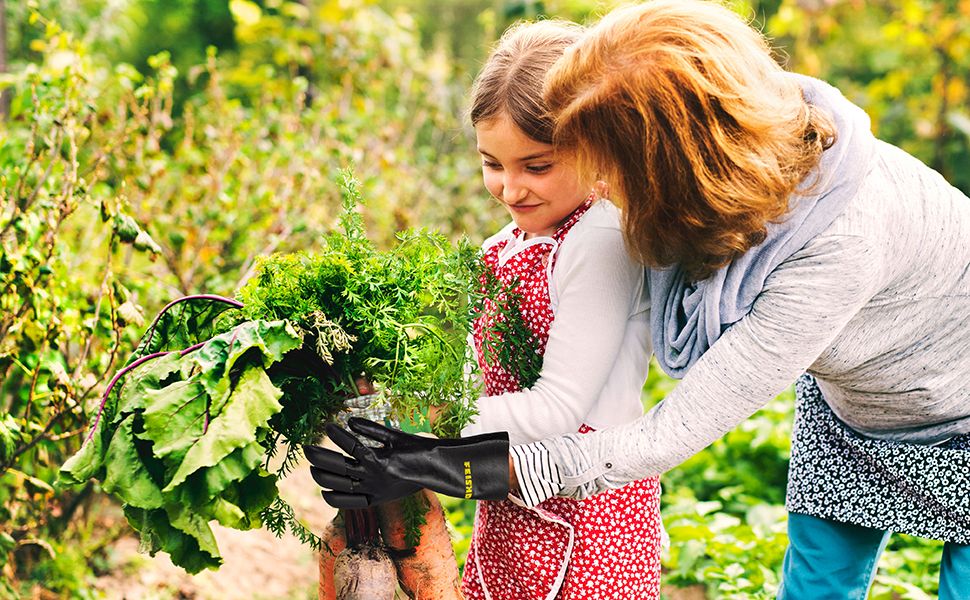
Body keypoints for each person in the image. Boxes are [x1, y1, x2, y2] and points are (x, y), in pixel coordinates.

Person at [306, 1, 970, 597]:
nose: (598, 186)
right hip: (853, 406)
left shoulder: (837, 249)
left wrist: (449, 465)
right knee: (818, 582)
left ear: (676, 161)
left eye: (610, 165)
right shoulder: (747, 134)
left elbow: (654, 440)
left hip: (961, 412)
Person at [309, 20, 664, 600]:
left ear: (597, 142)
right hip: (506, 497)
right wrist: (385, 405)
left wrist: (419, 436)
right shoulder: (501, 248)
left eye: (537, 165)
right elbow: (478, 382)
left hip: (590, 510)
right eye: (493, 163)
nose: (510, 187)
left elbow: (558, 408)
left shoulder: (600, 239)